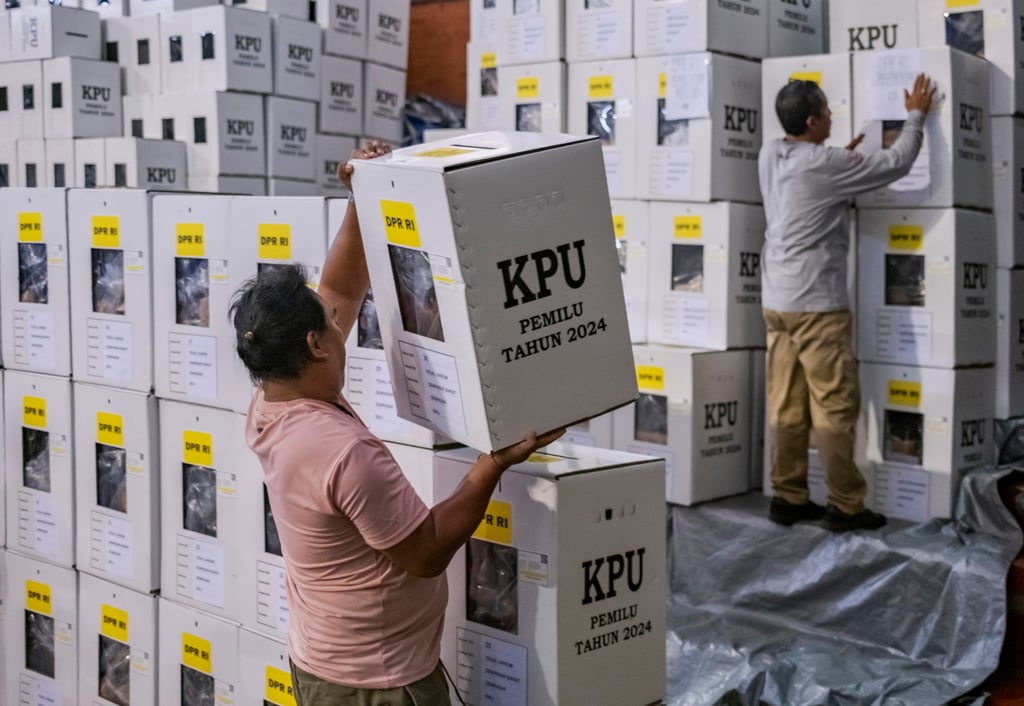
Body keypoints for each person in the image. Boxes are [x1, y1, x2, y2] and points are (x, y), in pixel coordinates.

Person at [230, 141, 565, 705]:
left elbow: (337, 290)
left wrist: (362, 197)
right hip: (375, 685)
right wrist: (493, 464)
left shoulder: (272, 399)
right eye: (333, 327)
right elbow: (427, 550)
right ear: (314, 345)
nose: (342, 325)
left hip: (325, 656)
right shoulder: (340, 452)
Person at [760, 75, 936, 532]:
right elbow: (897, 161)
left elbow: (819, 173)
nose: (834, 117)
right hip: (817, 303)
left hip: (777, 300)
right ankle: (847, 506)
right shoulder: (825, 163)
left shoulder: (771, 153)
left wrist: (842, 157)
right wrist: (917, 114)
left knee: (785, 404)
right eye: (828, 112)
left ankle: (789, 495)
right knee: (835, 406)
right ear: (814, 120)